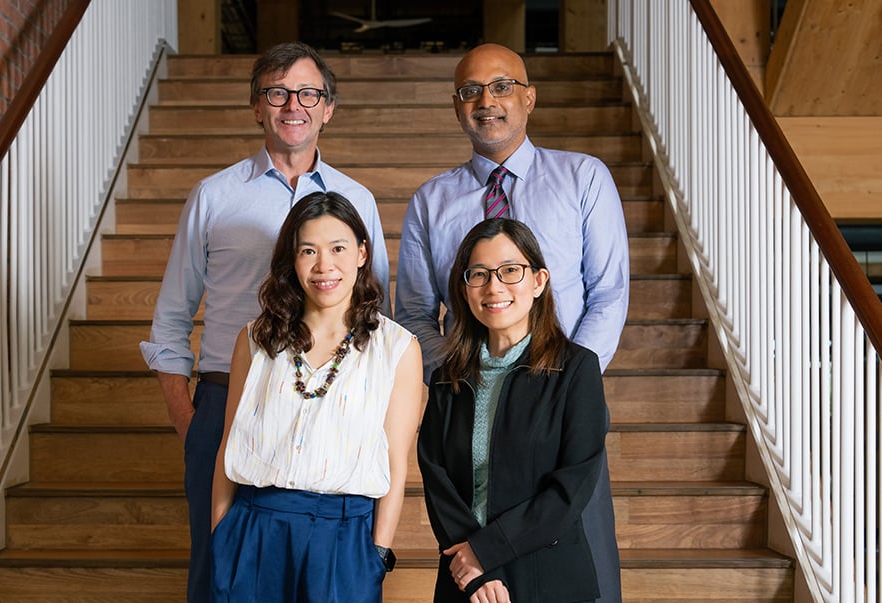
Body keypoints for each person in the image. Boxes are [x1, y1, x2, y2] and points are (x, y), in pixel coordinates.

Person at [139, 42, 390, 602]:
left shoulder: (357, 200)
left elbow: (376, 314)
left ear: (328, 107)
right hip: (227, 403)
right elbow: (170, 322)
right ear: (258, 106)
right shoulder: (214, 196)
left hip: (330, 415)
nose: (292, 105)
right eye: (277, 93)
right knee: (217, 577)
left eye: (308, 93)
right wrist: (192, 423)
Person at [396, 43, 626, 602]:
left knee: (577, 575)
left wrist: (563, 378)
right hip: (471, 394)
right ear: (456, 106)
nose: (486, 101)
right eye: (470, 91)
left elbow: (609, 291)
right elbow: (414, 314)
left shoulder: (583, 178)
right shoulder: (431, 200)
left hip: (556, 413)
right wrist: (457, 376)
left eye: (501, 87)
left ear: (528, 97)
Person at [210, 191, 422, 602]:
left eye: (338, 248)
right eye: (308, 250)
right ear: (292, 259)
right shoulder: (254, 340)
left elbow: (397, 465)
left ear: (362, 253)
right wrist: (222, 532)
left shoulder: (397, 348)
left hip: (345, 537)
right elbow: (228, 445)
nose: (324, 266)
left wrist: (377, 552)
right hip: (254, 528)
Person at [418, 218, 611, 603]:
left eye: (510, 271)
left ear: (538, 281)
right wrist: (473, 569)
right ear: (464, 287)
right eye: (479, 274)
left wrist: (486, 552)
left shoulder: (575, 370)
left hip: (548, 576)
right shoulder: (446, 377)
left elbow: (571, 488)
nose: (494, 287)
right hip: (466, 581)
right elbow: (436, 476)